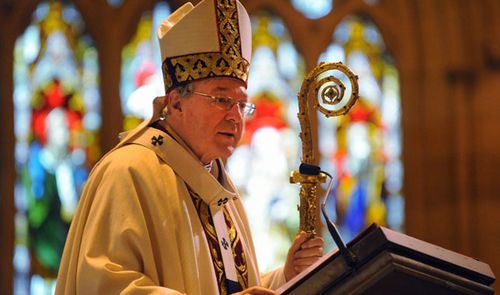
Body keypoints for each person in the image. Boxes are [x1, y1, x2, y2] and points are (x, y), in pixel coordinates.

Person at [55, 0, 324, 294]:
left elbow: (226, 286)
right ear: (176, 102)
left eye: (242, 104)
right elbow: (104, 286)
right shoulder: (128, 172)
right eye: (222, 100)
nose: (235, 117)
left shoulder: (219, 186)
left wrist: (285, 276)